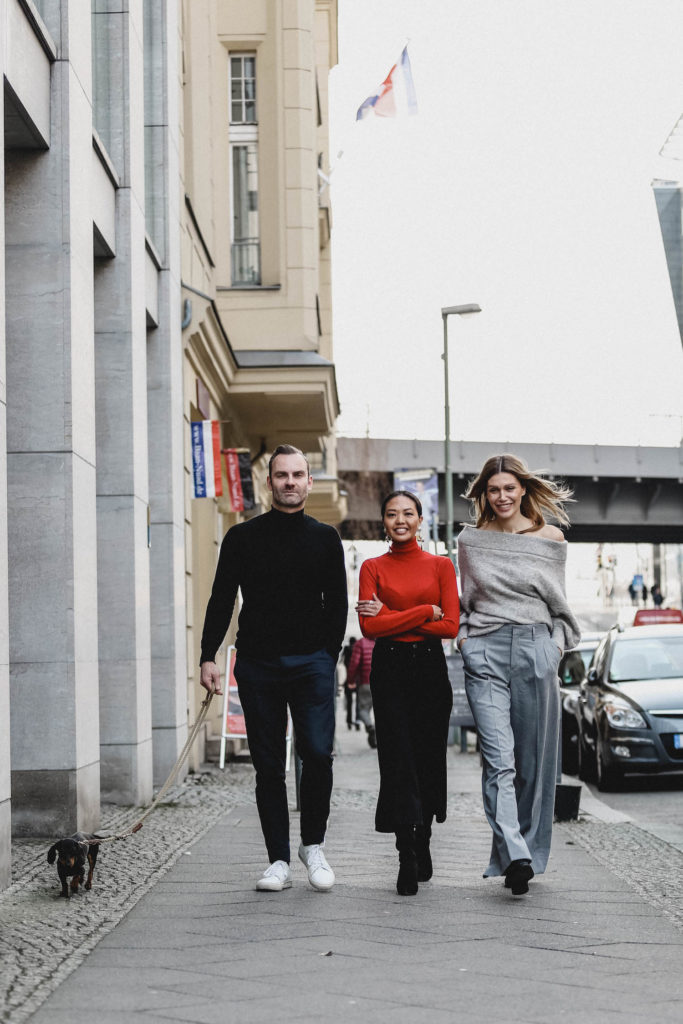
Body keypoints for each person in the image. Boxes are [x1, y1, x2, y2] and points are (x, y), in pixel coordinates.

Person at [199, 444, 348, 893]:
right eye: (281, 474)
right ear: (270, 482)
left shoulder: (325, 538)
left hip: (311, 663)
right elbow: (222, 598)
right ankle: (278, 859)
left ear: (309, 482)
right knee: (267, 766)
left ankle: (313, 846)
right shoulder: (242, 538)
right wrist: (208, 655)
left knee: (319, 753)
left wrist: (327, 655)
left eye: (297, 474)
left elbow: (338, 604)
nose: (289, 482)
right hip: (259, 663)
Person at [457, 454, 581, 896]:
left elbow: (560, 605)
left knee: (532, 764)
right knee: (498, 759)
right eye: (494, 490)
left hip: (535, 648)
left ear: (523, 489)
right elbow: (465, 600)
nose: (502, 496)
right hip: (485, 652)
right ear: (484, 494)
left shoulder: (551, 539)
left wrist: (554, 647)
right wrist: (467, 643)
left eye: (510, 488)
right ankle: (515, 854)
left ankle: (525, 850)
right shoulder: (470, 541)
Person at [356, 490, 459, 896]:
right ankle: (405, 854)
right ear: (383, 521)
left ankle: (425, 838)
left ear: (420, 519)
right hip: (390, 669)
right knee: (398, 760)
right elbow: (369, 630)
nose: (400, 520)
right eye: (392, 514)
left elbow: (450, 626)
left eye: (408, 513)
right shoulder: (371, 567)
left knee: (428, 757)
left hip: (431, 669)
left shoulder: (441, 566)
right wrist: (421, 613)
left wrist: (392, 617)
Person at [346, 635, 376, 747]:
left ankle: (370, 726)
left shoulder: (361, 644)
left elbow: (354, 663)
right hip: (380, 683)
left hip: (365, 682)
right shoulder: (379, 643)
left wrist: (350, 680)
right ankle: (376, 735)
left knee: (363, 710)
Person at [341, 636, 360, 731]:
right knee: (358, 703)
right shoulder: (357, 650)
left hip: (348, 679)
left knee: (349, 702)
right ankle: (357, 721)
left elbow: (342, 661)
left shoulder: (347, 649)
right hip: (357, 680)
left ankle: (349, 721)